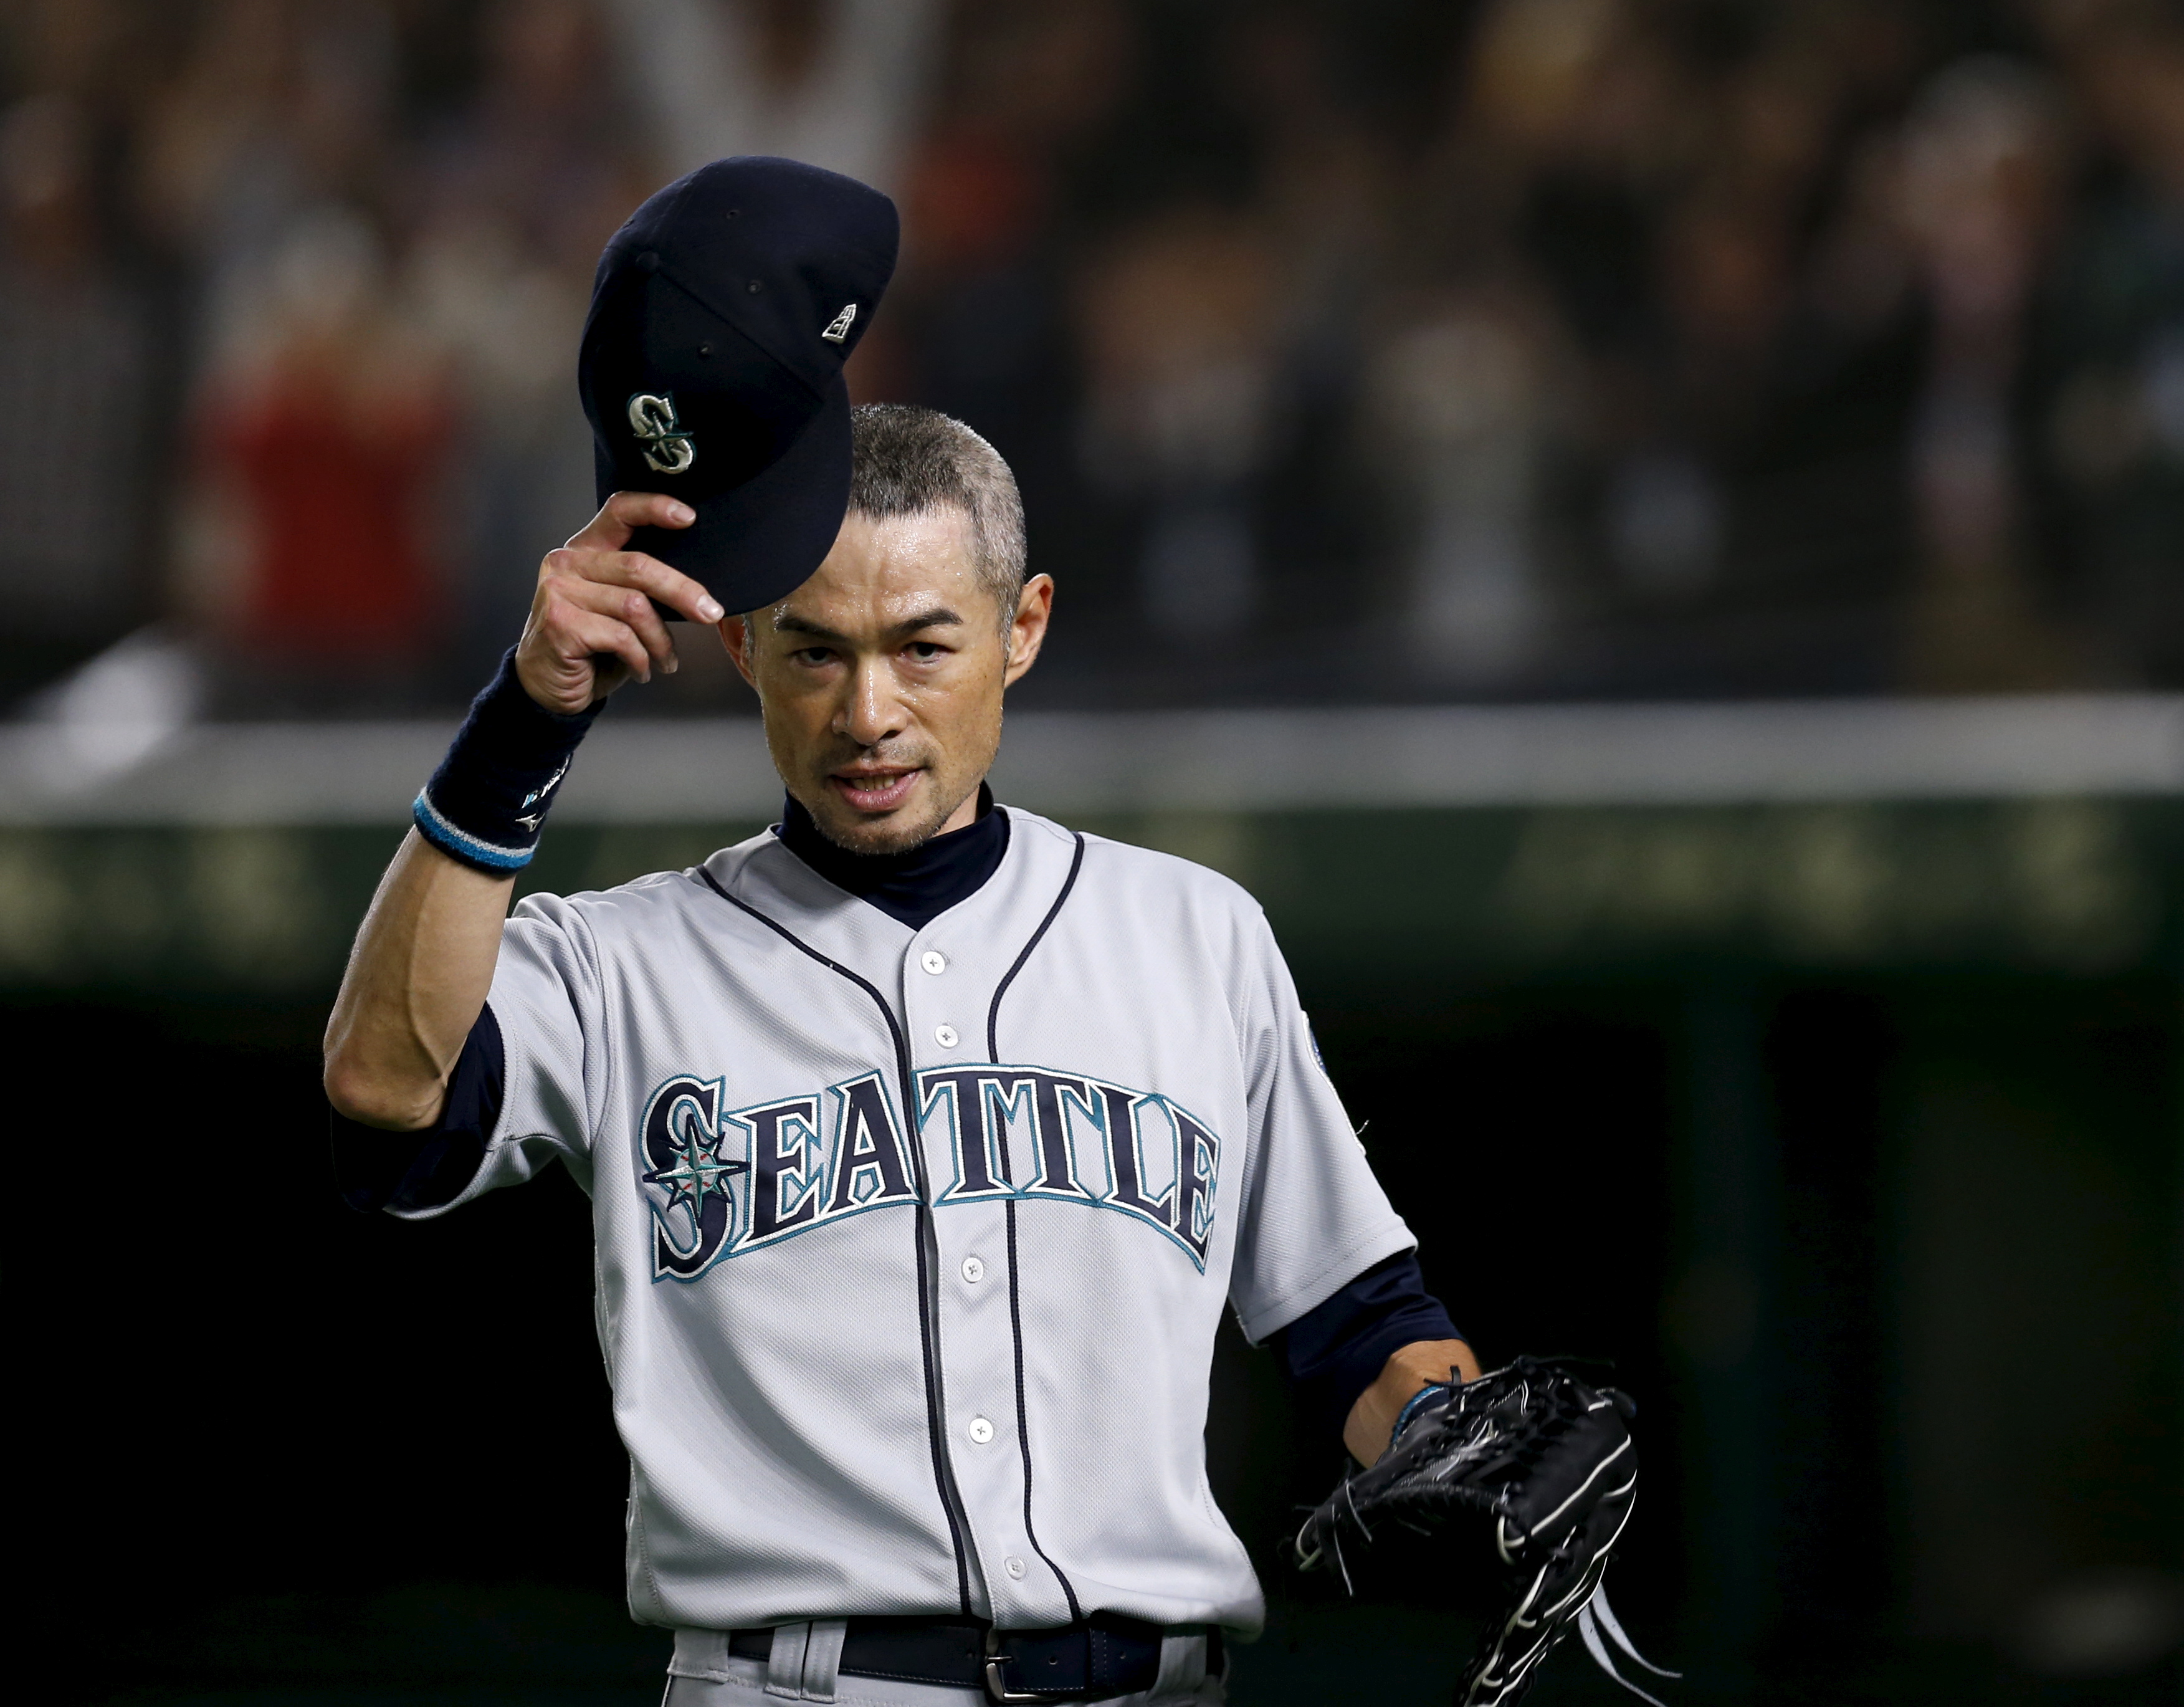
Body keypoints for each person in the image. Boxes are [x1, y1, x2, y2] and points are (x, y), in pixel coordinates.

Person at [325, 158, 1478, 1707]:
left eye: (923, 646)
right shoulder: (621, 965)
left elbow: (1356, 1322)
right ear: (742, 648)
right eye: (815, 653)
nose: (868, 710)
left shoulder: (1193, 935)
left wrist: (1458, 1432)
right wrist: (522, 719)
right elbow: (388, 1095)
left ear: (1023, 628)